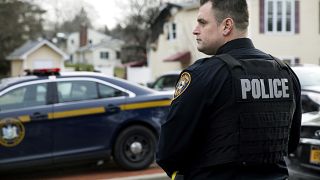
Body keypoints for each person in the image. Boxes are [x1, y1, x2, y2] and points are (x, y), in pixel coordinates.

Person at [156, 0, 302, 179]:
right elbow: (291, 143)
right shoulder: (285, 72)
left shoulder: (203, 74)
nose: (195, 30)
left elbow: (168, 151)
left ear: (226, 26)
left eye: (202, 22)